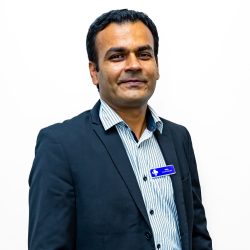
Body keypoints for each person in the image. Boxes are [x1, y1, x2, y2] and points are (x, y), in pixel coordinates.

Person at [28, 9, 212, 250]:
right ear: (94, 72)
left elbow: (196, 234)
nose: (134, 65)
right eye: (117, 56)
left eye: (144, 54)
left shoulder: (178, 138)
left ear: (156, 66)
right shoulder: (60, 146)